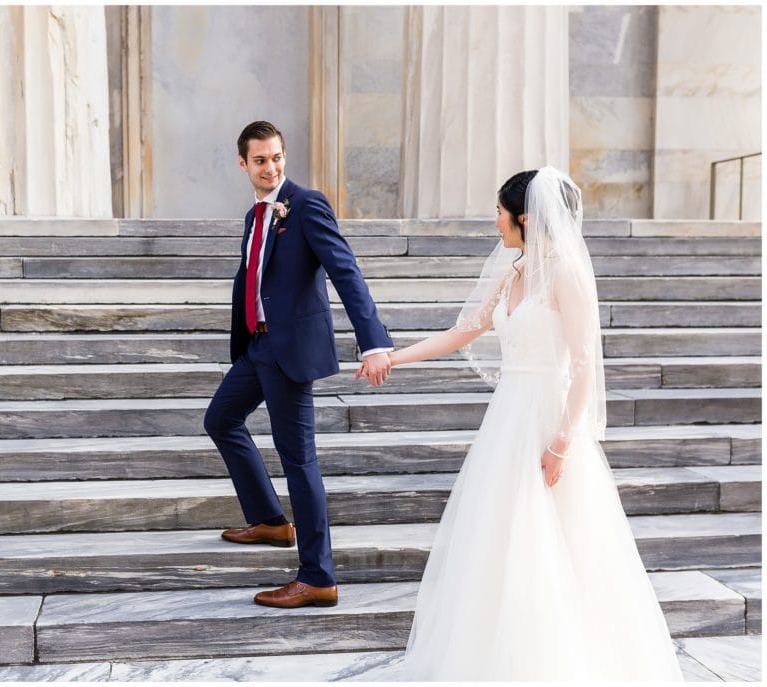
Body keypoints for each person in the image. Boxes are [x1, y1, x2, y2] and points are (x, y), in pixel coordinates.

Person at [363, 167, 683, 680]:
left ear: (526, 218)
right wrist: (393, 358)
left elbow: (582, 366)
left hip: (546, 421)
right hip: (506, 421)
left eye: (499, 212)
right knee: (497, 540)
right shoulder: (514, 273)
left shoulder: (566, 275)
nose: (495, 222)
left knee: (554, 541)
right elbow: (461, 332)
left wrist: (560, 444)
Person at [204, 120, 394, 608]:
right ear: (243, 164)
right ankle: (269, 521)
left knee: (299, 461)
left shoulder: (306, 204)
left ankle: (317, 575)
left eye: (277, 158)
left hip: (289, 354)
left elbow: (345, 271)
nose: (271, 168)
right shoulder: (255, 215)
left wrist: (372, 341)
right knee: (220, 419)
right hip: (257, 347)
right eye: (261, 160)